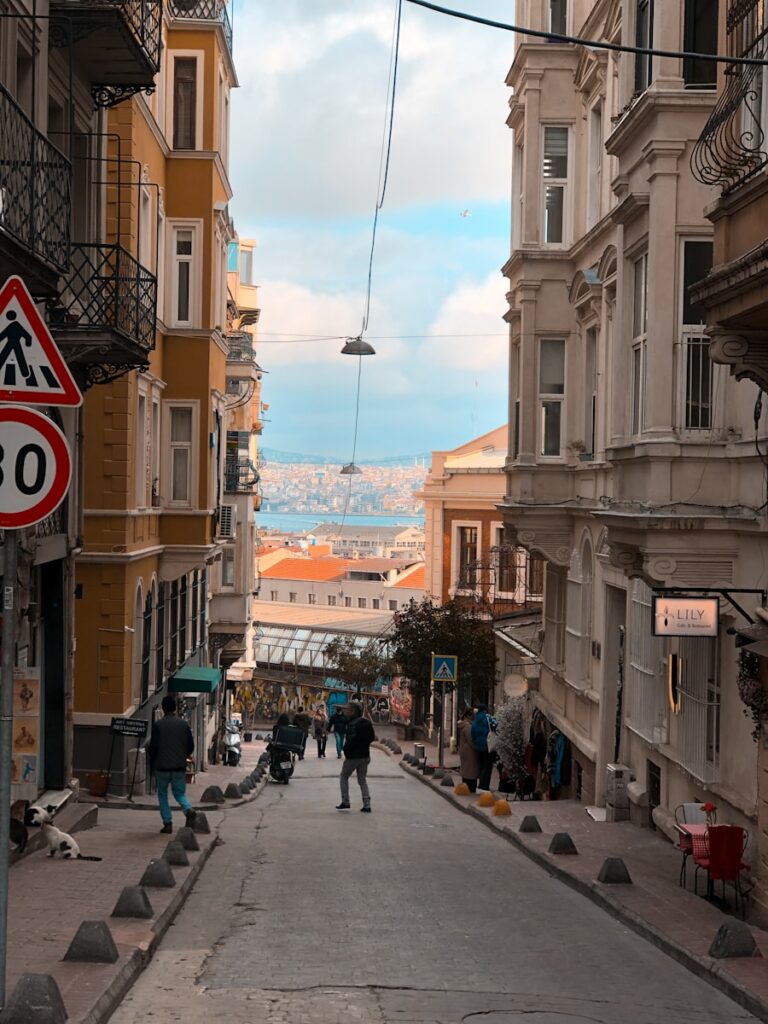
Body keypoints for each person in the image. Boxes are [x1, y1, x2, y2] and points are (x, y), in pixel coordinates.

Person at [147, 695, 196, 834]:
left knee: (162, 795)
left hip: (162, 766)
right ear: (175, 708)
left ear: (163, 708)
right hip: (179, 766)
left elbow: (153, 747)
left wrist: (153, 760)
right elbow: (191, 745)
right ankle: (188, 809)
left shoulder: (158, 725)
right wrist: (182, 756)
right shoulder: (183, 724)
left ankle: (167, 823)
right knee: (179, 793)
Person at [336, 701, 376, 812]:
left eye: (348, 709)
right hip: (365, 755)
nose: (346, 711)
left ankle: (345, 801)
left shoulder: (352, 724)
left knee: (344, 776)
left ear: (353, 711)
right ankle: (367, 803)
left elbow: (351, 740)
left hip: (353, 757)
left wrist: (346, 750)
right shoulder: (367, 723)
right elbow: (372, 737)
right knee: (362, 780)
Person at [471, 703, 496, 792]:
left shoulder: (475, 721)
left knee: (481, 766)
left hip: (479, 747)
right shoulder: (488, 718)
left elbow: (473, 734)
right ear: (485, 710)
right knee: (488, 767)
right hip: (488, 747)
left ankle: (481, 784)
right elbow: (496, 724)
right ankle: (485, 786)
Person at [457, 707, 479, 793]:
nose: (475, 717)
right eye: (473, 715)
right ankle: (470, 788)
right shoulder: (467, 726)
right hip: (470, 752)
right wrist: (477, 747)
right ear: (469, 716)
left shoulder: (465, 725)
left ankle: (466, 786)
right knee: (470, 770)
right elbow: (471, 739)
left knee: (466, 769)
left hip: (465, 751)